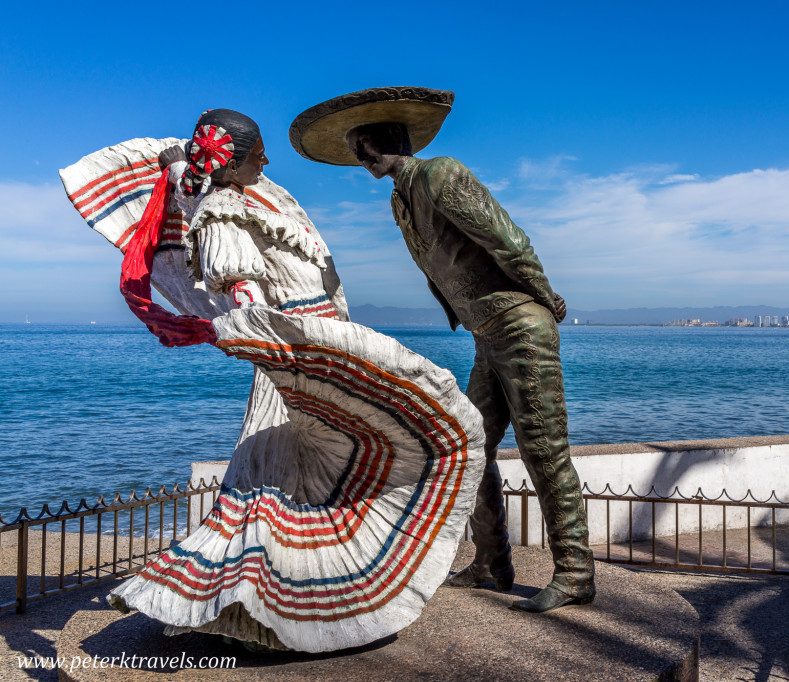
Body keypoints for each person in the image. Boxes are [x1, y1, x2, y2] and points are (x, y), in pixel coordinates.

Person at [59, 109, 485, 652]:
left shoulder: (256, 197)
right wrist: (288, 355)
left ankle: (276, 609)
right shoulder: (219, 215)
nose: (267, 157)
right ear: (232, 162)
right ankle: (261, 604)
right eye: (257, 150)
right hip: (300, 354)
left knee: (299, 478)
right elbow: (247, 300)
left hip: (319, 343)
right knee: (279, 480)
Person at [289, 87, 596, 613]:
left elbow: (508, 240)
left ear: (391, 139)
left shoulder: (441, 174)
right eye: (356, 148)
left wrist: (545, 296)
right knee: (468, 447)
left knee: (543, 450)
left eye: (365, 145)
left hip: (520, 324)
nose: (361, 157)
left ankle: (575, 572)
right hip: (486, 333)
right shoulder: (399, 199)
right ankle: (491, 563)